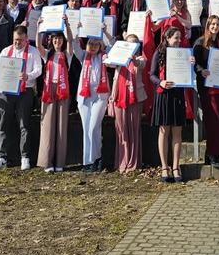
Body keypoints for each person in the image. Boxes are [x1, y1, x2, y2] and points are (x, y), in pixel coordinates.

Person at [0, 24, 42, 170]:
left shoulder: (33, 51)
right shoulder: (6, 51)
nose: (17, 43)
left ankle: (25, 157)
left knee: (24, 124)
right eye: (15, 40)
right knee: (3, 124)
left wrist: (28, 76)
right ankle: (2, 157)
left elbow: (39, 69)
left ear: (26, 39)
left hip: (25, 91)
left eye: (20, 40)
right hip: (6, 91)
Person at [150, 26, 191, 182]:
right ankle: (164, 167)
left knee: (177, 132)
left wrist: (191, 63)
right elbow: (152, 75)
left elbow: (188, 75)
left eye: (180, 38)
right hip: (164, 95)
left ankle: (175, 167)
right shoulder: (159, 53)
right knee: (164, 132)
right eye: (176, 38)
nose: (179, 41)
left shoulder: (184, 54)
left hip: (177, 95)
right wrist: (161, 82)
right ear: (167, 38)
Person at [193, 14, 219, 170]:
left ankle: (216, 152)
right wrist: (201, 71)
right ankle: (212, 153)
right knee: (212, 121)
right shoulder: (200, 43)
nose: (215, 27)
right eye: (212, 24)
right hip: (208, 89)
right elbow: (195, 64)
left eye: (217, 24)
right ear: (207, 26)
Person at [36, 17, 74, 172]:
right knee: (47, 126)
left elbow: (71, 41)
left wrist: (67, 25)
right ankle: (47, 162)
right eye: (55, 39)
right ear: (51, 41)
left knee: (61, 126)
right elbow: (38, 45)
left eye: (60, 38)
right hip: (49, 90)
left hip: (63, 89)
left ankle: (59, 162)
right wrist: (39, 28)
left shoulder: (67, 54)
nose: (57, 41)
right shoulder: (48, 54)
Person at [107, 33, 148, 173]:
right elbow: (109, 62)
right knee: (121, 130)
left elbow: (141, 65)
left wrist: (134, 60)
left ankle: (134, 163)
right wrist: (106, 57)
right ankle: (122, 161)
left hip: (135, 98)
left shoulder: (141, 58)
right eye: (129, 42)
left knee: (134, 129)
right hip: (119, 97)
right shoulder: (119, 58)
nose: (132, 45)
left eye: (135, 43)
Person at [73, 29, 113, 172]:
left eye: (97, 44)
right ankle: (89, 161)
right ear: (87, 44)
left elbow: (113, 44)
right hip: (85, 96)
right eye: (91, 43)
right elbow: (74, 44)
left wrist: (105, 32)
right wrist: (78, 30)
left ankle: (97, 157)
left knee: (94, 126)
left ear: (100, 45)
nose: (94, 46)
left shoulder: (105, 56)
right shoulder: (83, 56)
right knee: (86, 128)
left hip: (100, 96)